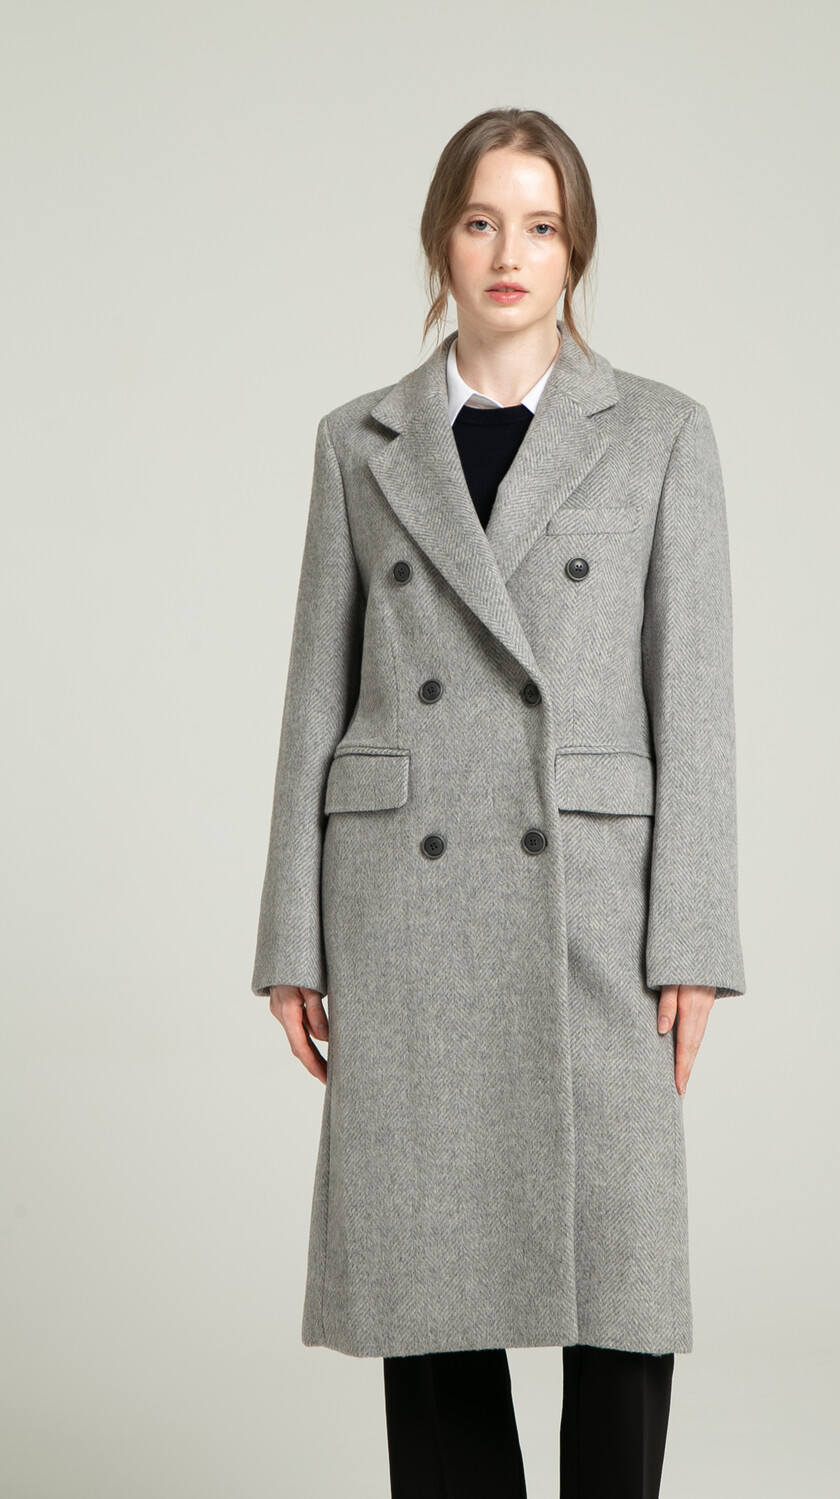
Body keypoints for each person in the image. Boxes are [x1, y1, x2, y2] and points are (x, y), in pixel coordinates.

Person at [252, 106, 746, 1499]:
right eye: (481, 222)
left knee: (622, 1281)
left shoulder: (659, 434)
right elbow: (314, 696)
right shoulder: (360, 441)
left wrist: (693, 940)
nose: (509, 253)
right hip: (405, 907)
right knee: (429, 1290)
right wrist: (292, 937)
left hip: (589, 902)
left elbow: (695, 702)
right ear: (442, 242)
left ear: (575, 250)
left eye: (540, 224)